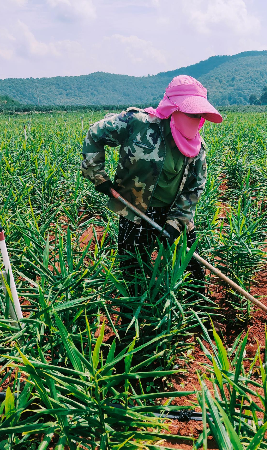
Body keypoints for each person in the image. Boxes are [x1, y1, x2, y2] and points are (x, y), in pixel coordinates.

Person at [80, 75, 223, 297]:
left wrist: (176, 222)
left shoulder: (196, 146)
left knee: (189, 270)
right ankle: (137, 321)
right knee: (134, 272)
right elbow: (95, 133)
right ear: (173, 109)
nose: (196, 120)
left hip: (175, 214)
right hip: (135, 211)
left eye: (200, 115)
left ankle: (195, 314)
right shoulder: (136, 124)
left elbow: (195, 186)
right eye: (191, 113)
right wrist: (97, 175)